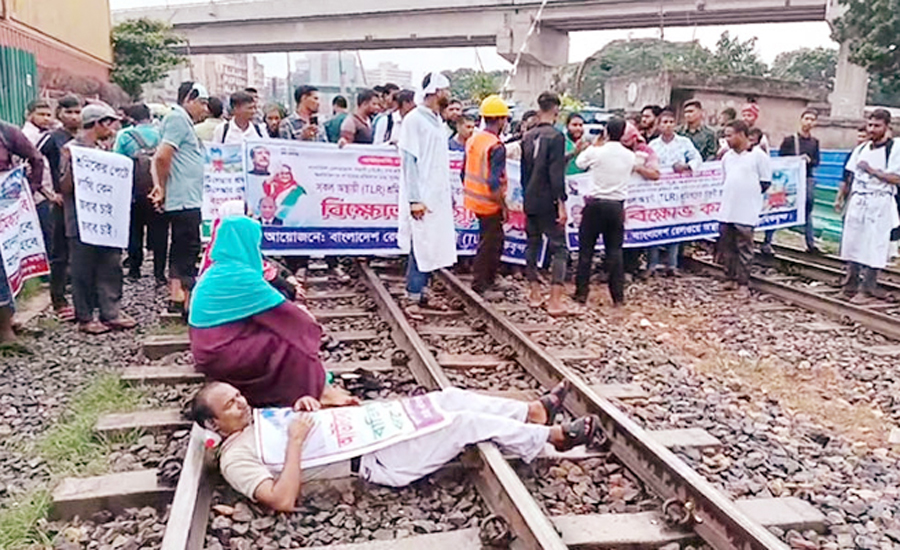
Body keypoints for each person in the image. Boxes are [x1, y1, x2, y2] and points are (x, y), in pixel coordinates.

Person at [193, 380, 597, 512]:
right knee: (461, 424)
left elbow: (300, 425)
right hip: (378, 460)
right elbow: (280, 499)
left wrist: (310, 407)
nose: (241, 403)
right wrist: (296, 441)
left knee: (449, 398)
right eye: (230, 405)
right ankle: (553, 439)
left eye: (238, 396)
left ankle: (531, 412)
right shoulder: (236, 457)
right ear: (214, 424)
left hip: (374, 428)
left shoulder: (257, 418)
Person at [189, 216, 354, 407]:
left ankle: (314, 383)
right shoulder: (239, 274)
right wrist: (313, 328)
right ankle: (317, 391)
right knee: (291, 341)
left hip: (208, 349)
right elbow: (290, 316)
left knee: (280, 332)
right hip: (220, 353)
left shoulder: (217, 270)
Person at [58, 103, 138, 334]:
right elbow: (64, 186)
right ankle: (85, 317)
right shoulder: (71, 150)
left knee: (110, 265)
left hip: (106, 220)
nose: (112, 129)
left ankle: (111, 312)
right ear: (98, 123)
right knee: (82, 269)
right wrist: (74, 166)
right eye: (109, 123)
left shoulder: (104, 150)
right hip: (80, 220)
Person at [397, 72, 458, 318]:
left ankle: (423, 291)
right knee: (420, 244)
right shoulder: (414, 120)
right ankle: (412, 294)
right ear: (435, 91)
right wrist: (414, 199)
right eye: (445, 90)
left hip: (436, 194)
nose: (448, 95)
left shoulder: (437, 121)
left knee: (432, 244)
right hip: (422, 194)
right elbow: (409, 161)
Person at [150, 81, 209, 315]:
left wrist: (159, 186)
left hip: (186, 196)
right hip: (184, 198)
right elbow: (162, 157)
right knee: (187, 247)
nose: (205, 109)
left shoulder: (180, 120)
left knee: (180, 247)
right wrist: (162, 188)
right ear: (188, 99)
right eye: (202, 102)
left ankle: (177, 296)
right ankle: (184, 300)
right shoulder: (177, 119)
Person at [835, 109, 900, 304]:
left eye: (877, 126)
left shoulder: (895, 148)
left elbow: (896, 178)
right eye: (870, 125)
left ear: (887, 127)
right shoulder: (861, 149)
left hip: (879, 201)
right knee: (853, 243)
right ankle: (850, 285)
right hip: (859, 200)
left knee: (874, 245)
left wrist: (872, 171)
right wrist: (842, 197)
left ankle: (867, 287)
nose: (872, 129)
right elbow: (850, 174)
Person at [574, 117, 639, 307]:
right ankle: (618, 297)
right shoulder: (629, 155)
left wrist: (595, 144)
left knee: (586, 251)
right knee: (615, 252)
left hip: (595, 204)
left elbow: (579, 163)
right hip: (616, 205)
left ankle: (581, 293)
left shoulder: (597, 151)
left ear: (606, 131)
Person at [0, 103, 46, 344]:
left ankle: (5, 328)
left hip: (4, 212)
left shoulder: (6, 132)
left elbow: (36, 158)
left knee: (3, 266)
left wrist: (29, 189)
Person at [521, 92, 569, 316]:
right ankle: (555, 300)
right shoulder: (556, 137)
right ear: (556, 110)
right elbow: (556, 174)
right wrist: (562, 203)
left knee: (532, 244)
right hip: (549, 199)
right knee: (559, 247)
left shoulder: (528, 136)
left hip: (530, 198)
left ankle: (534, 293)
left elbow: (524, 173)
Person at [717, 120, 772, 297]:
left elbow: (765, 182)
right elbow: (725, 179)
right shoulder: (727, 157)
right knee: (727, 246)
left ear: (741, 135)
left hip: (746, 210)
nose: (727, 139)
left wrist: (750, 194)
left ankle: (743, 283)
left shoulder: (758, 156)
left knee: (744, 248)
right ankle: (730, 278)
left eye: (729, 135)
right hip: (728, 209)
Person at [39, 95, 82, 321]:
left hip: (85, 204)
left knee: (83, 252)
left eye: (77, 112)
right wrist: (48, 193)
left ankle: (85, 299)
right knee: (60, 253)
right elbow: (30, 162)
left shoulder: (86, 137)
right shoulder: (51, 139)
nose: (74, 117)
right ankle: (58, 299)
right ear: (60, 114)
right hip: (62, 203)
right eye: (69, 112)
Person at [113, 103, 166, 283]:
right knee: (160, 231)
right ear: (149, 116)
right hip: (158, 189)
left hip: (133, 192)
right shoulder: (162, 134)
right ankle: (159, 273)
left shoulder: (124, 136)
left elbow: (117, 162)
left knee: (134, 230)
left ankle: (134, 269)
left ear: (130, 119)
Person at [462, 95, 509, 295]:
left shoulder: (474, 139)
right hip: (489, 203)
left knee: (492, 240)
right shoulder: (496, 146)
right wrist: (503, 206)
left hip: (474, 200)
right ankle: (481, 283)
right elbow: (493, 182)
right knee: (489, 244)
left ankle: (490, 278)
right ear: (500, 120)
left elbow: (463, 172)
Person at [648, 109, 702, 277]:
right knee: (654, 225)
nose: (668, 125)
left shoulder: (684, 143)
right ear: (659, 125)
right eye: (664, 122)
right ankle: (652, 264)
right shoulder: (653, 145)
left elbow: (697, 159)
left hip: (678, 191)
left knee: (675, 225)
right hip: (657, 192)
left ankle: (672, 265)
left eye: (671, 122)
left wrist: (686, 166)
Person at [762, 109, 821, 256]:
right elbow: (782, 158)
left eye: (812, 119)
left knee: (807, 208)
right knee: (778, 207)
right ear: (801, 120)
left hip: (807, 177)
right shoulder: (790, 140)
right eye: (806, 118)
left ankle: (810, 243)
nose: (809, 122)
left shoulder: (814, 142)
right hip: (789, 180)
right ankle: (767, 241)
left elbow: (817, 161)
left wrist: (809, 161)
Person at [21, 99, 59, 257]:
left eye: (49, 115)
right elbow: (30, 169)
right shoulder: (27, 136)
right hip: (37, 196)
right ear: (29, 115)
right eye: (41, 114)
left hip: (44, 193)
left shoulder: (45, 134)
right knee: (44, 235)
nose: (46, 118)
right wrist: (48, 194)